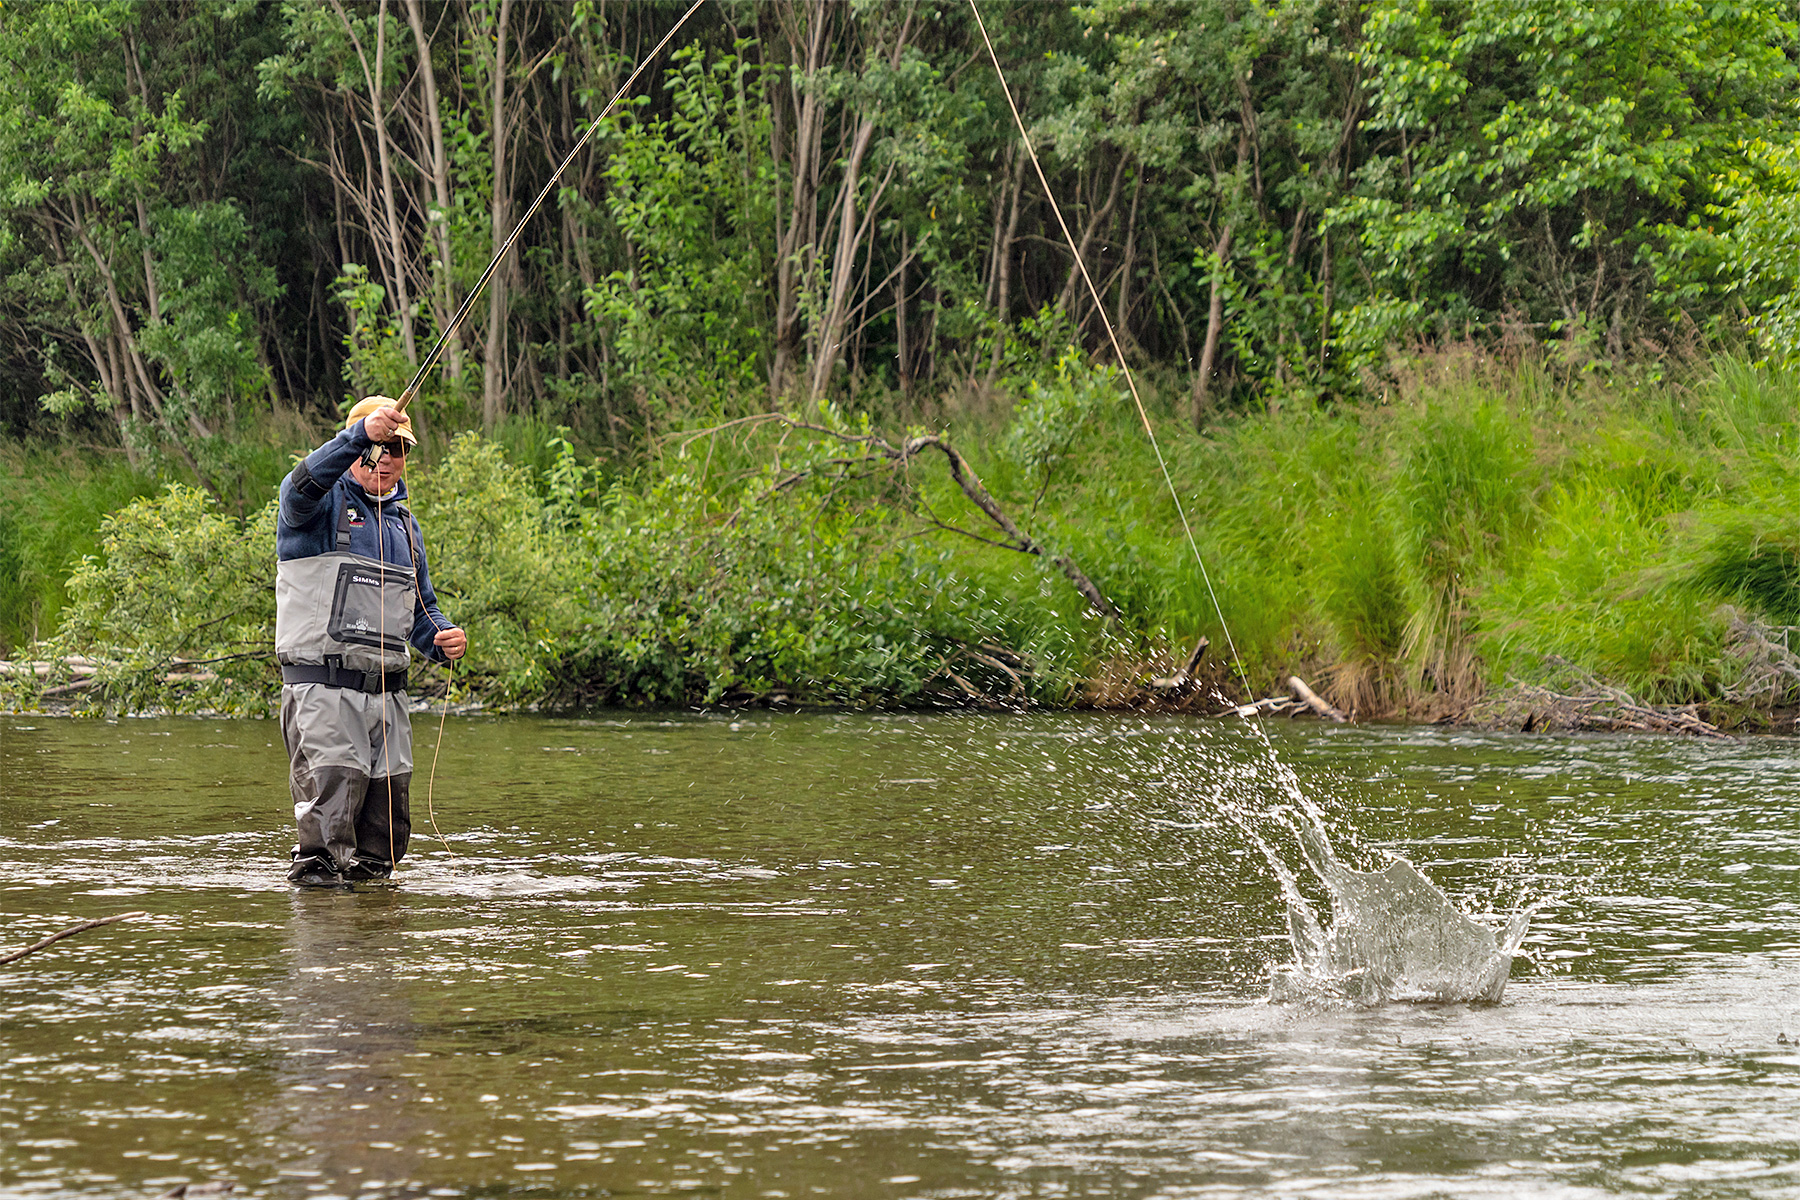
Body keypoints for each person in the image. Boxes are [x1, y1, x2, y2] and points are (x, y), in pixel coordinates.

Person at [275, 396, 467, 887]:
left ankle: (376, 951)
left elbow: (421, 608)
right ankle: (324, 953)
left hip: (388, 698)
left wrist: (442, 638)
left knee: (382, 848)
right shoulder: (317, 506)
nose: (384, 459)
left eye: (396, 449)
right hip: (322, 691)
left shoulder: (406, 525)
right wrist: (360, 434)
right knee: (325, 845)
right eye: (375, 448)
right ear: (354, 448)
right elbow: (297, 487)